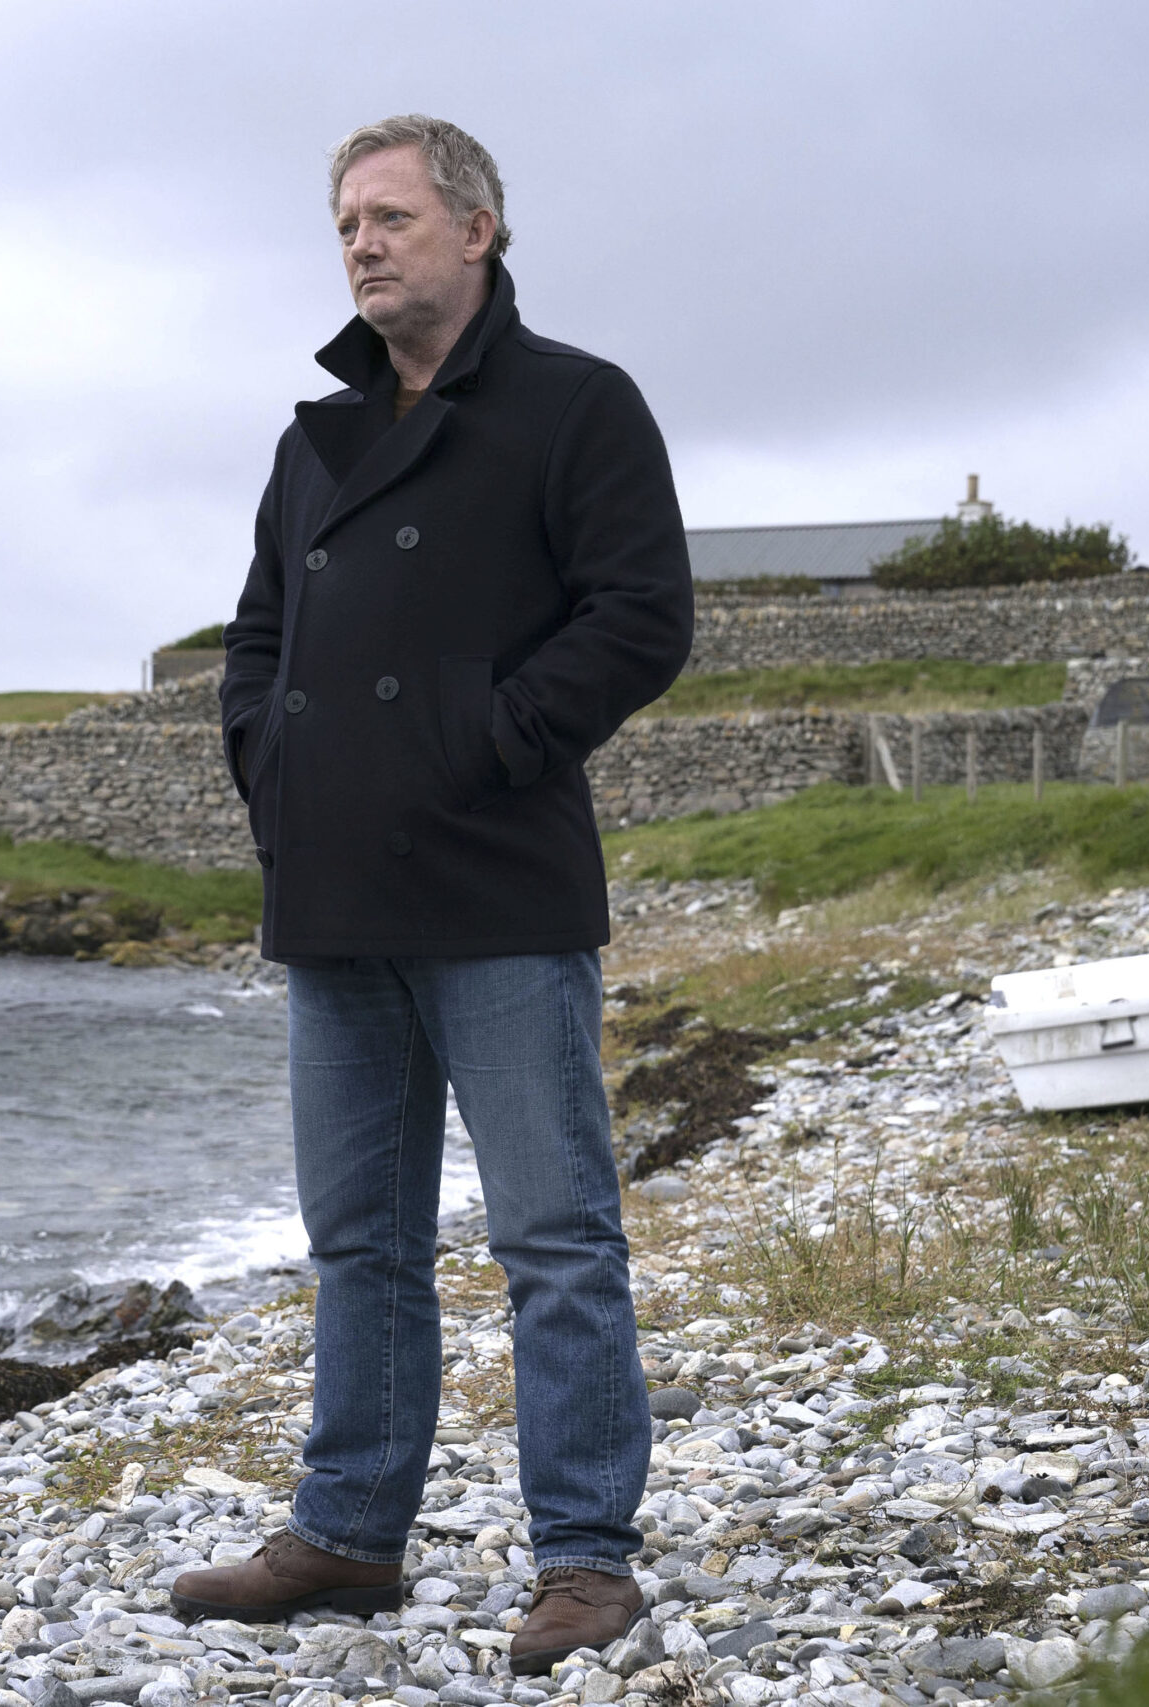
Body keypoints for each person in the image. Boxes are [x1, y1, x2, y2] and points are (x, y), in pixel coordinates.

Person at [169, 115, 695, 1677]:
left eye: (391, 217)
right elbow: (255, 638)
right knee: (361, 1242)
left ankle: (587, 1560)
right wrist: (269, 761)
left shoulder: (574, 405)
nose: (362, 244)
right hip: (333, 892)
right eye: (345, 224)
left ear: (478, 230)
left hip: (498, 886)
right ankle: (346, 1536)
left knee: (554, 1237)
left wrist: (489, 737)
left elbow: (642, 616)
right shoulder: (314, 437)